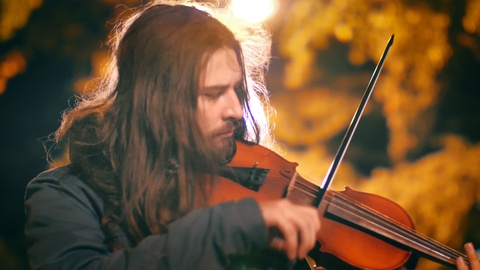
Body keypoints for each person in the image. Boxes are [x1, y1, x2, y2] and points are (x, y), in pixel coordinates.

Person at [24, 1, 479, 270]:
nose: (233, 109)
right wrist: (232, 226)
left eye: (237, 89)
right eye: (212, 93)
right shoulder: (64, 195)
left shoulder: (248, 176)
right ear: (154, 99)